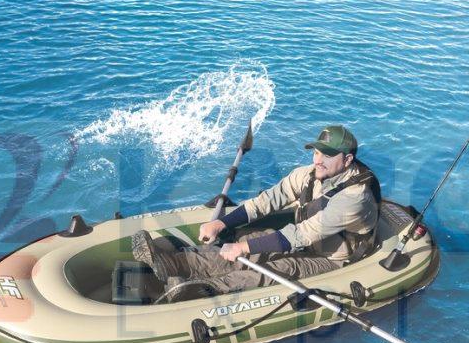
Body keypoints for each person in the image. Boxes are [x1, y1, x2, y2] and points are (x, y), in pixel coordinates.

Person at [131, 125, 381, 302]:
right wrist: (221, 223)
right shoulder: (308, 175)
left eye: (327, 155)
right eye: (316, 152)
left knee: (280, 267)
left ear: (347, 160)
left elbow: (302, 234)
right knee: (247, 241)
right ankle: (175, 264)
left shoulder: (354, 198)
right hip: (307, 241)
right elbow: (267, 200)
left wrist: (243, 249)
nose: (317, 160)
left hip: (332, 258)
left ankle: (200, 290)